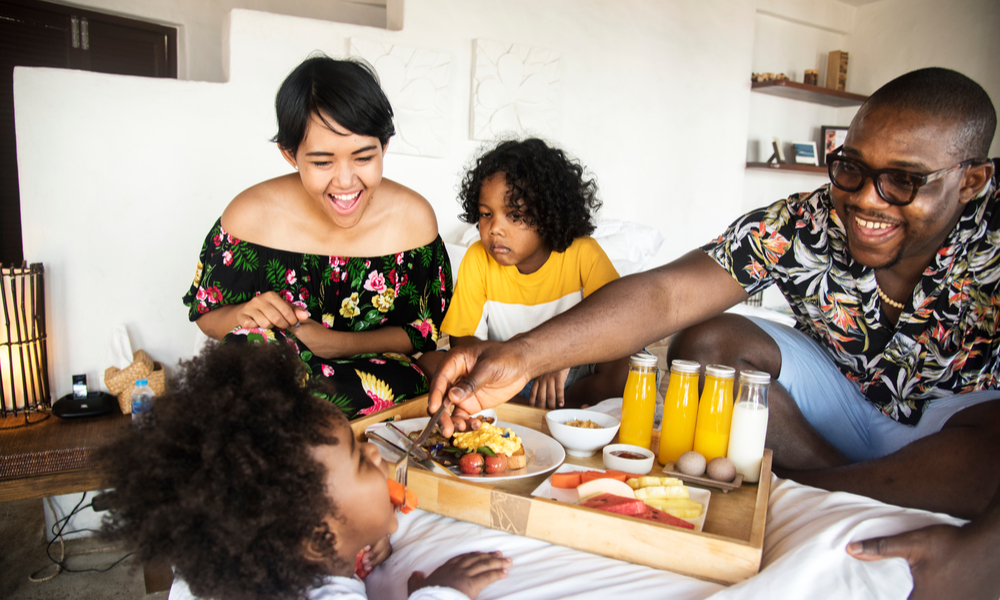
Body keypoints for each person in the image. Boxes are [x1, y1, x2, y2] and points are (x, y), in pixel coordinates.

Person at [428, 67, 1000, 599]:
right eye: (850, 167)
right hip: (845, 397)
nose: (865, 200)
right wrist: (523, 358)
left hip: (958, 418)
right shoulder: (807, 220)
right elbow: (668, 294)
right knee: (709, 342)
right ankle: (826, 479)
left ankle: (816, 480)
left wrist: (985, 550)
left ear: (972, 180)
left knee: (985, 455)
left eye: (903, 180)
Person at [101, 343, 511, 600]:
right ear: (317, 537)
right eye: (356, 457)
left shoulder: (248, 558)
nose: (373, 452)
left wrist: (351, 544)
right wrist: (440, 591)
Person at [182, 55, 452, 420]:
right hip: (282, 384)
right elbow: (209, 316)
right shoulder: (249, 216)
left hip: (377, 383)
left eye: (363, 157)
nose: (344, 181)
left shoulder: (414, 221)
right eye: (322, 162)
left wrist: (336, 344)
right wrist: (244, 314)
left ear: (384, 147)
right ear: (290, 154)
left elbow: (420, 333)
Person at [441, 138, 629, 408]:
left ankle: (546, 410)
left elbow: (617, 321)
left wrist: (560, 355)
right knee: (434, 363)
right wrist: (514, 353)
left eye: (514, 216)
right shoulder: (477, 258)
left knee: (629, 368)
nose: (494, 228)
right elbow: (462, 343)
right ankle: (530, 408)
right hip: (505, 374)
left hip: (571, 374)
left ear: (549, 215)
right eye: (485, 214)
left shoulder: (583, 253)